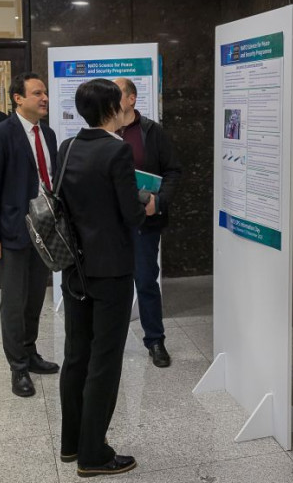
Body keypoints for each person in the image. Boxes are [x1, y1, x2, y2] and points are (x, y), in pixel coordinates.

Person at [57, 79, 155, 477]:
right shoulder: (117, 150)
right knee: (105, 360)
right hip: (111, 269)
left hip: (74, 267)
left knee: (76, 354)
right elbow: (130, 214)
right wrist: (147, 204)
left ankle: (71, 442)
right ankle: (94, 454)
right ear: (113, 108)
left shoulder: (67, 147)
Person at [0, 72, 59, 397]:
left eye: (45, 92)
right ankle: (18, 367)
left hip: (44, 232)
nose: (44, 98)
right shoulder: (0, 134)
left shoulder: (48, 134)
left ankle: (30, 351)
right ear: (18, 98)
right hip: (12, 232)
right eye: (37, 93)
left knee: (35, 298)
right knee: (14, 303)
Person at [113, 77, 181, 368]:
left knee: (145, 281)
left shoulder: (152, 132)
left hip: (143, 221)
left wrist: (159, 201)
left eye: (117, 93)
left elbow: (173, 171)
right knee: (112, 284)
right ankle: (110, 343)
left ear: (131, 99)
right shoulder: (103, 131)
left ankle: (155, 341)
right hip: (110, 223)